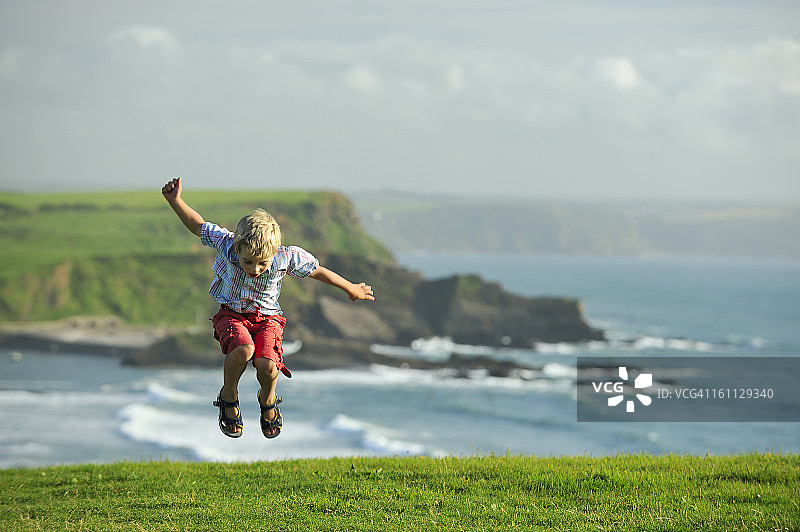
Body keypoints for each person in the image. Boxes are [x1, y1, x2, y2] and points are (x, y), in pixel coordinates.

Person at [161, 176, 374, 439]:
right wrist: (176, 200)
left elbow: (317, 271)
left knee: (268, 365)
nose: (254, 269)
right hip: (232, 313)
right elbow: (198, 226)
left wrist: (350, 288)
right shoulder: (227, 244)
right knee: (244, 350)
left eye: (262, 263)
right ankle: (229, 396)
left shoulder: (286, 257)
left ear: (274, 254)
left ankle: (268, 399)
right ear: (238, 247)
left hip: (267, 318)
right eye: (248, 261)